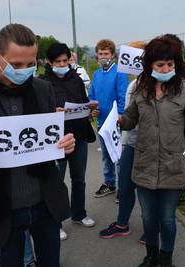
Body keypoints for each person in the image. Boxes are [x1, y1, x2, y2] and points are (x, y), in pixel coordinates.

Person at [0, 23, 75, 267]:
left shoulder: (43, 89)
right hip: (2, 209)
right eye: (16, 65)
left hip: (45, 204)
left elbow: (49, 139)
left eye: (31, 64)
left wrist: (64, 144)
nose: (25, 71)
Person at [119, 36, 185, 267]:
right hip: (144, 165)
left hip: (172, 167)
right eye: (160, 65)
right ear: (150, 65)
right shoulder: (140, 89)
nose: (166, 69)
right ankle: (151, 255)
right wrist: (119, 120)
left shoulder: (183, 90)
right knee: (148, 217)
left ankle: (166, 257)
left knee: (167, 219)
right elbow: (130, 119)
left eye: (170, 65)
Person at [42, 42, 97, 241]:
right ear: (49, 62)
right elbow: (37, 113)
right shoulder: (42, 83)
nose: (63, 64)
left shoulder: (76, 79)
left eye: (66, 60)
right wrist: (51, 113)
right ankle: (54, 222)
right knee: (56, 182)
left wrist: (90, 109)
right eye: (58, 61)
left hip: (79, 135)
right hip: (56, 141)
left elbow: (83, 102)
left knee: (79, 179)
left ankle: (79, 213)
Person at [99, 41, 147, 243]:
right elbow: (128, 114)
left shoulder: (156, 86)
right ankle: (122, 224)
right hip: (130, 142)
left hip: (148, 146)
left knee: (146, 189)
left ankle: (152, 229)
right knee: (125, 186)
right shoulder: (133, 84)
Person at [88, 39, 129, 198]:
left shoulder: (119, 72)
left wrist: (119, 114)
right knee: (106, 155)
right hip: (101, 122)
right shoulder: (97, 74)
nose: (103, 56)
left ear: (112, 55)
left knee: (118, 156)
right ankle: (109, 183)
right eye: (100, 54)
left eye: (106, 54)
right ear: (96, 56)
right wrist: (92, 110)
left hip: (115, 123)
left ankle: (123, 188)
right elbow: (91, 96)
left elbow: (122, 97)